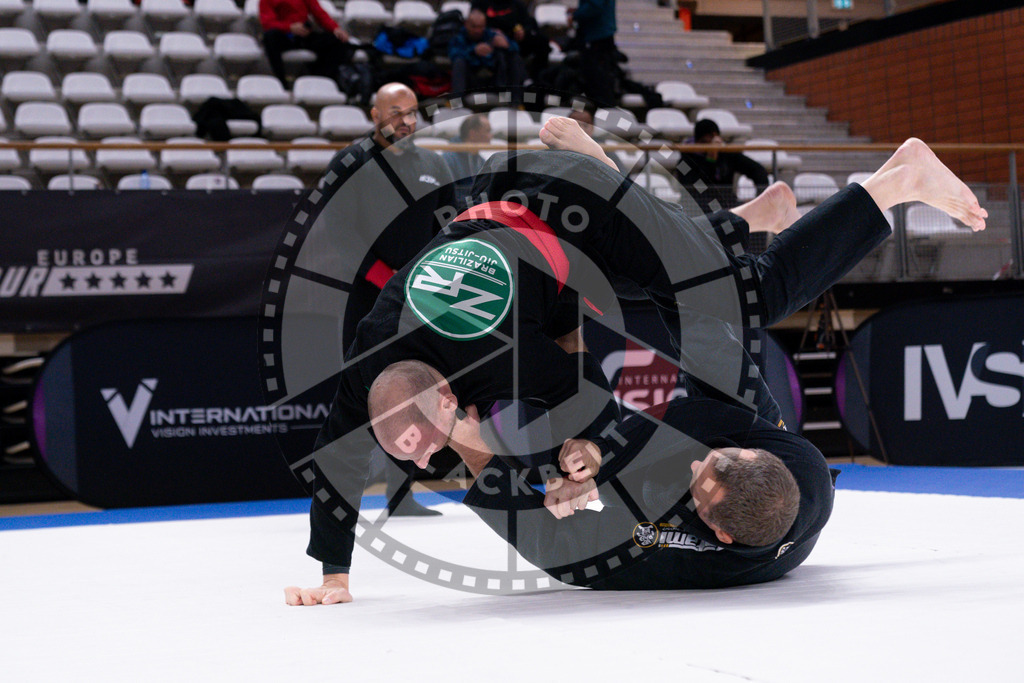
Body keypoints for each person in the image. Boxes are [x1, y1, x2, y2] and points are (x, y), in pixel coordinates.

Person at [284, 118, 986, 605]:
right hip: (510, 227)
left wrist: (575, 457)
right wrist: (335, 570)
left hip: (568, 206)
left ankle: (889, 187)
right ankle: (742, 215)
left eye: (431, 439)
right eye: (411, 455)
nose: (418, 462)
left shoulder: (508, 359)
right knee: (657, 294)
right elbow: (336, 460)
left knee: (742, 294)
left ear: (446, 395)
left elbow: (600, 408)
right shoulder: (368, 368)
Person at [455, 394, 832, 589]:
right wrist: (600, 457)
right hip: (756, 436)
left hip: (662, 504)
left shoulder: (685, 557)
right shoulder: (802, 461)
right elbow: (689, 415)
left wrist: (470, 447)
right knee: (718, 361)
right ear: (754, 454)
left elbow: (556, 551)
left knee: (632, 499)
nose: (695, 465)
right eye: (711, 460)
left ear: (721, 534)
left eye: (698, 485)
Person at [325, 82, 457, 516]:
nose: (407, 120)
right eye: (396, 111)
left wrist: (435, 280)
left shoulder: (433, 163)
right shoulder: (351, 164)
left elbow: (449, 226)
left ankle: (401, 497)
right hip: (368, 301)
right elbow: (342, 236)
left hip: (420, 298)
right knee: (362, 395)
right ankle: (340, 498)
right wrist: (388, 281)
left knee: (414, 391)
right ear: (374, 114)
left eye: (413, 112)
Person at [675, 119, 771, 212]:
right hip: (698, 209)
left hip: (727, 205)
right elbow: (700, 189)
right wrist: (711, 159)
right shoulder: (684, 163)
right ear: (698, 140)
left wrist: (759, 200)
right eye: (709, 137)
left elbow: (758, 171)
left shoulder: (726, 154)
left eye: (716, 136)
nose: (714, 141)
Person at [259, 0, 353, 90]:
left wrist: (335, 29)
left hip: (303, 34)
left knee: (336, 41)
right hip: (283, 35)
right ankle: (282, 83)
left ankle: (323, 79)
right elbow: (267, 23)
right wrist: (289, 27)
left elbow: (319, 13)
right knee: (269, 37)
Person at [448, 9, 527, 98]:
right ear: (466, 24)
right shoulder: (458, 38)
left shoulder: (491, 34)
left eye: (480, 27)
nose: (477, 30)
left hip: (493, 81)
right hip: (470, 81)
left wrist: (507, 45)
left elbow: (516, 48)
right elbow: (453, 54)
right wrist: (473, 50)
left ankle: (515, 100)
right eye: (474, 27)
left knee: (513, 57)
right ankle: (457, 103)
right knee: (459, 62)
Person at [471, 0, 550, 81]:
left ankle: (537, 82)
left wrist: (524, 31)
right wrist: (491, 35)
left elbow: (529, 23)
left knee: (542, 41)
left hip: (514, 40)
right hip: (488, 41)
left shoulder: (516, 4)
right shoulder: (480, 3)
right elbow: (472, 26)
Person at [568, 0, 618, 106]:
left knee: (599, 81)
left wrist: (576, 16)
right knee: (597, 80)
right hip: (600, 34)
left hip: (597, 36)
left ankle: (606, 113)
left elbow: (595, 7)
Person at [442, 113, 494, 209]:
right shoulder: (448, 159)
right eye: (487, 131)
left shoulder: (481, 161)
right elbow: (449, 197)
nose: (491, 136)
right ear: (473, 134)